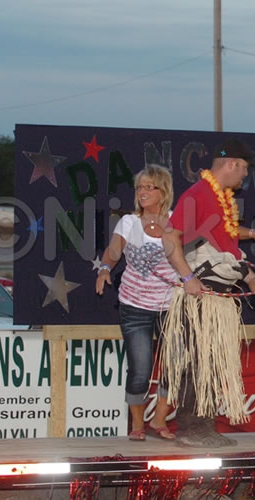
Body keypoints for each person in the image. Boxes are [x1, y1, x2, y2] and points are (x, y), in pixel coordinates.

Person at [161, 139, 255, 448]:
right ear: (232, 164)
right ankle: (190, 429)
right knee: (197, 362)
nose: (245, 176)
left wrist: (249, 277)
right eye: (244, 169)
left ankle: (204, 427)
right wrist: (187, 278)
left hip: (218, 297)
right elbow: (169, 238)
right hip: (200, 297)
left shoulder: (221, 199)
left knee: (210, 363)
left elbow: (227, 248)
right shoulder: (197, 194)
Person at [95, 165, 177, 442]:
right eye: (139, 187)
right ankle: (137, 424)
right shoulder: (128, 223)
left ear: (163, 191)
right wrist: (104, 269)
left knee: (176, 364)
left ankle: (159, 419)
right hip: (134, 305)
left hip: (170, 306)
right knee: (140, 368)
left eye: (148, 187)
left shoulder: (176, 221)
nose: (142, 192)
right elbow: (113, 253)